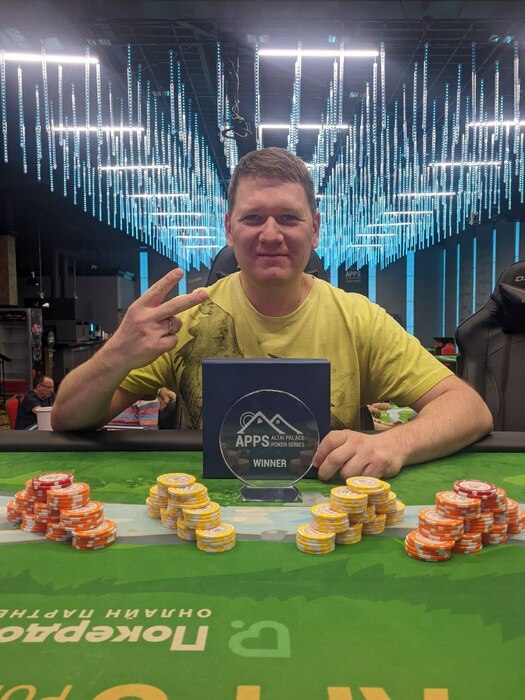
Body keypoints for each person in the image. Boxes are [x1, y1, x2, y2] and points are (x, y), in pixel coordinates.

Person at [51, 147, 493, 479]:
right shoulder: (186, 319)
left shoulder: (360, 320)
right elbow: (67, 418)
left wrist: (395, 444)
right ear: (229, 228)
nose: (270, 234)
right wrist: (117, 353)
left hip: (328, 517)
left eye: (288, 217)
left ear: (314, 228)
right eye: (252, 218)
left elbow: (469, 408)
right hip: (209, 515)